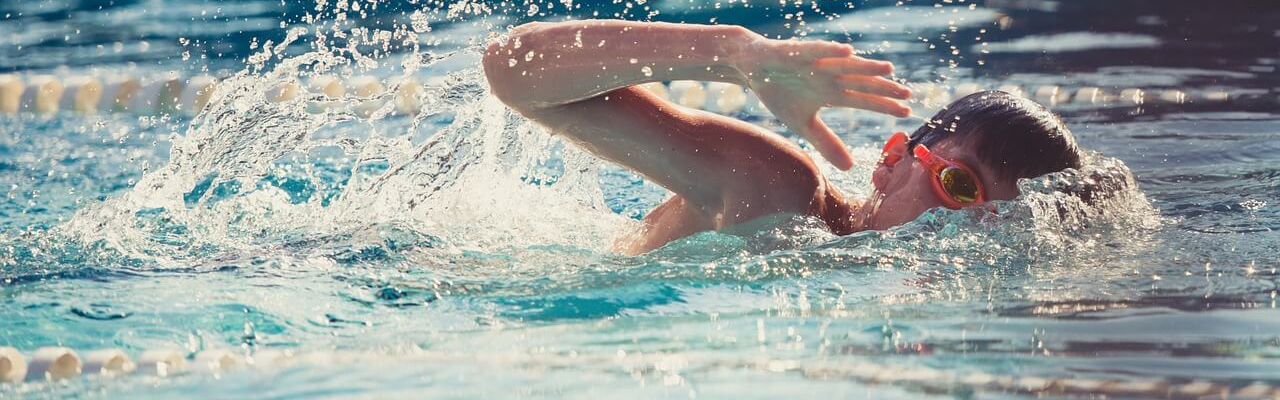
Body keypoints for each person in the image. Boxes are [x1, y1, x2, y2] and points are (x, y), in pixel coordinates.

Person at [482, 20, 1084, 254]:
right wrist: (732, 55)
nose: (962, 233)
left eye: (998, 223)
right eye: (959, 185)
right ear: (892, 160)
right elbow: (512, 70)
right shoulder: (779, 190)